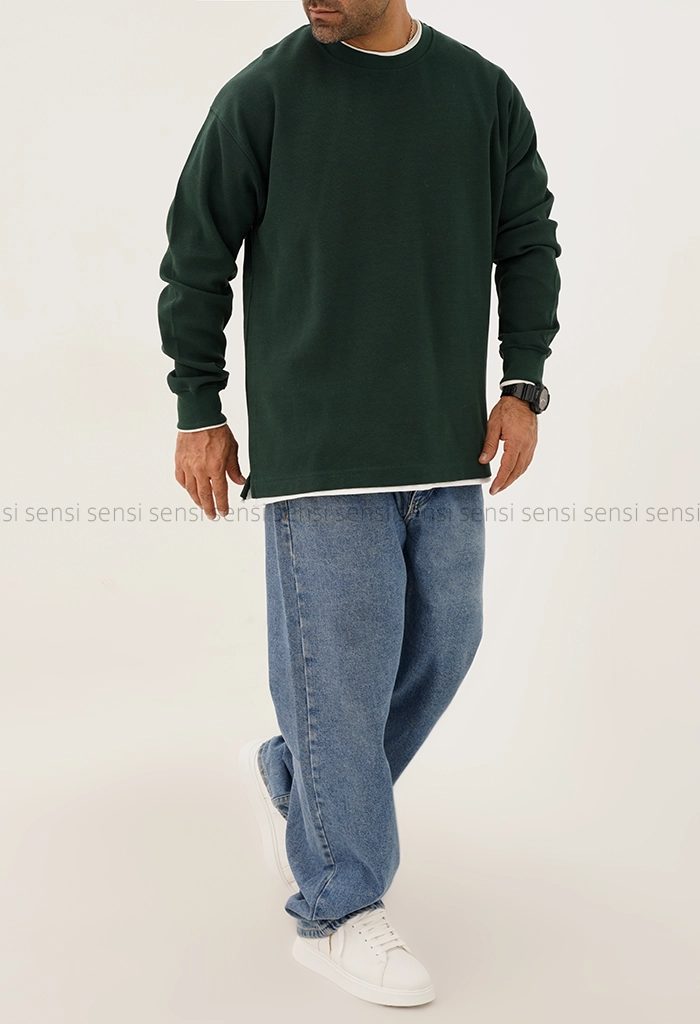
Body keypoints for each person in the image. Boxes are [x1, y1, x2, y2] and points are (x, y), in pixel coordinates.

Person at [157, 0, 561, 1007]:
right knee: (339, 679)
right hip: (320, 451)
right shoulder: (264, 95)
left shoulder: (479, 93)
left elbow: (527, 240)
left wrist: (523, 383)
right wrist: (198, 406)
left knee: (448, 641)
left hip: (446, 443)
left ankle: (300, 783)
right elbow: (196, 253)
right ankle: (338, 906)